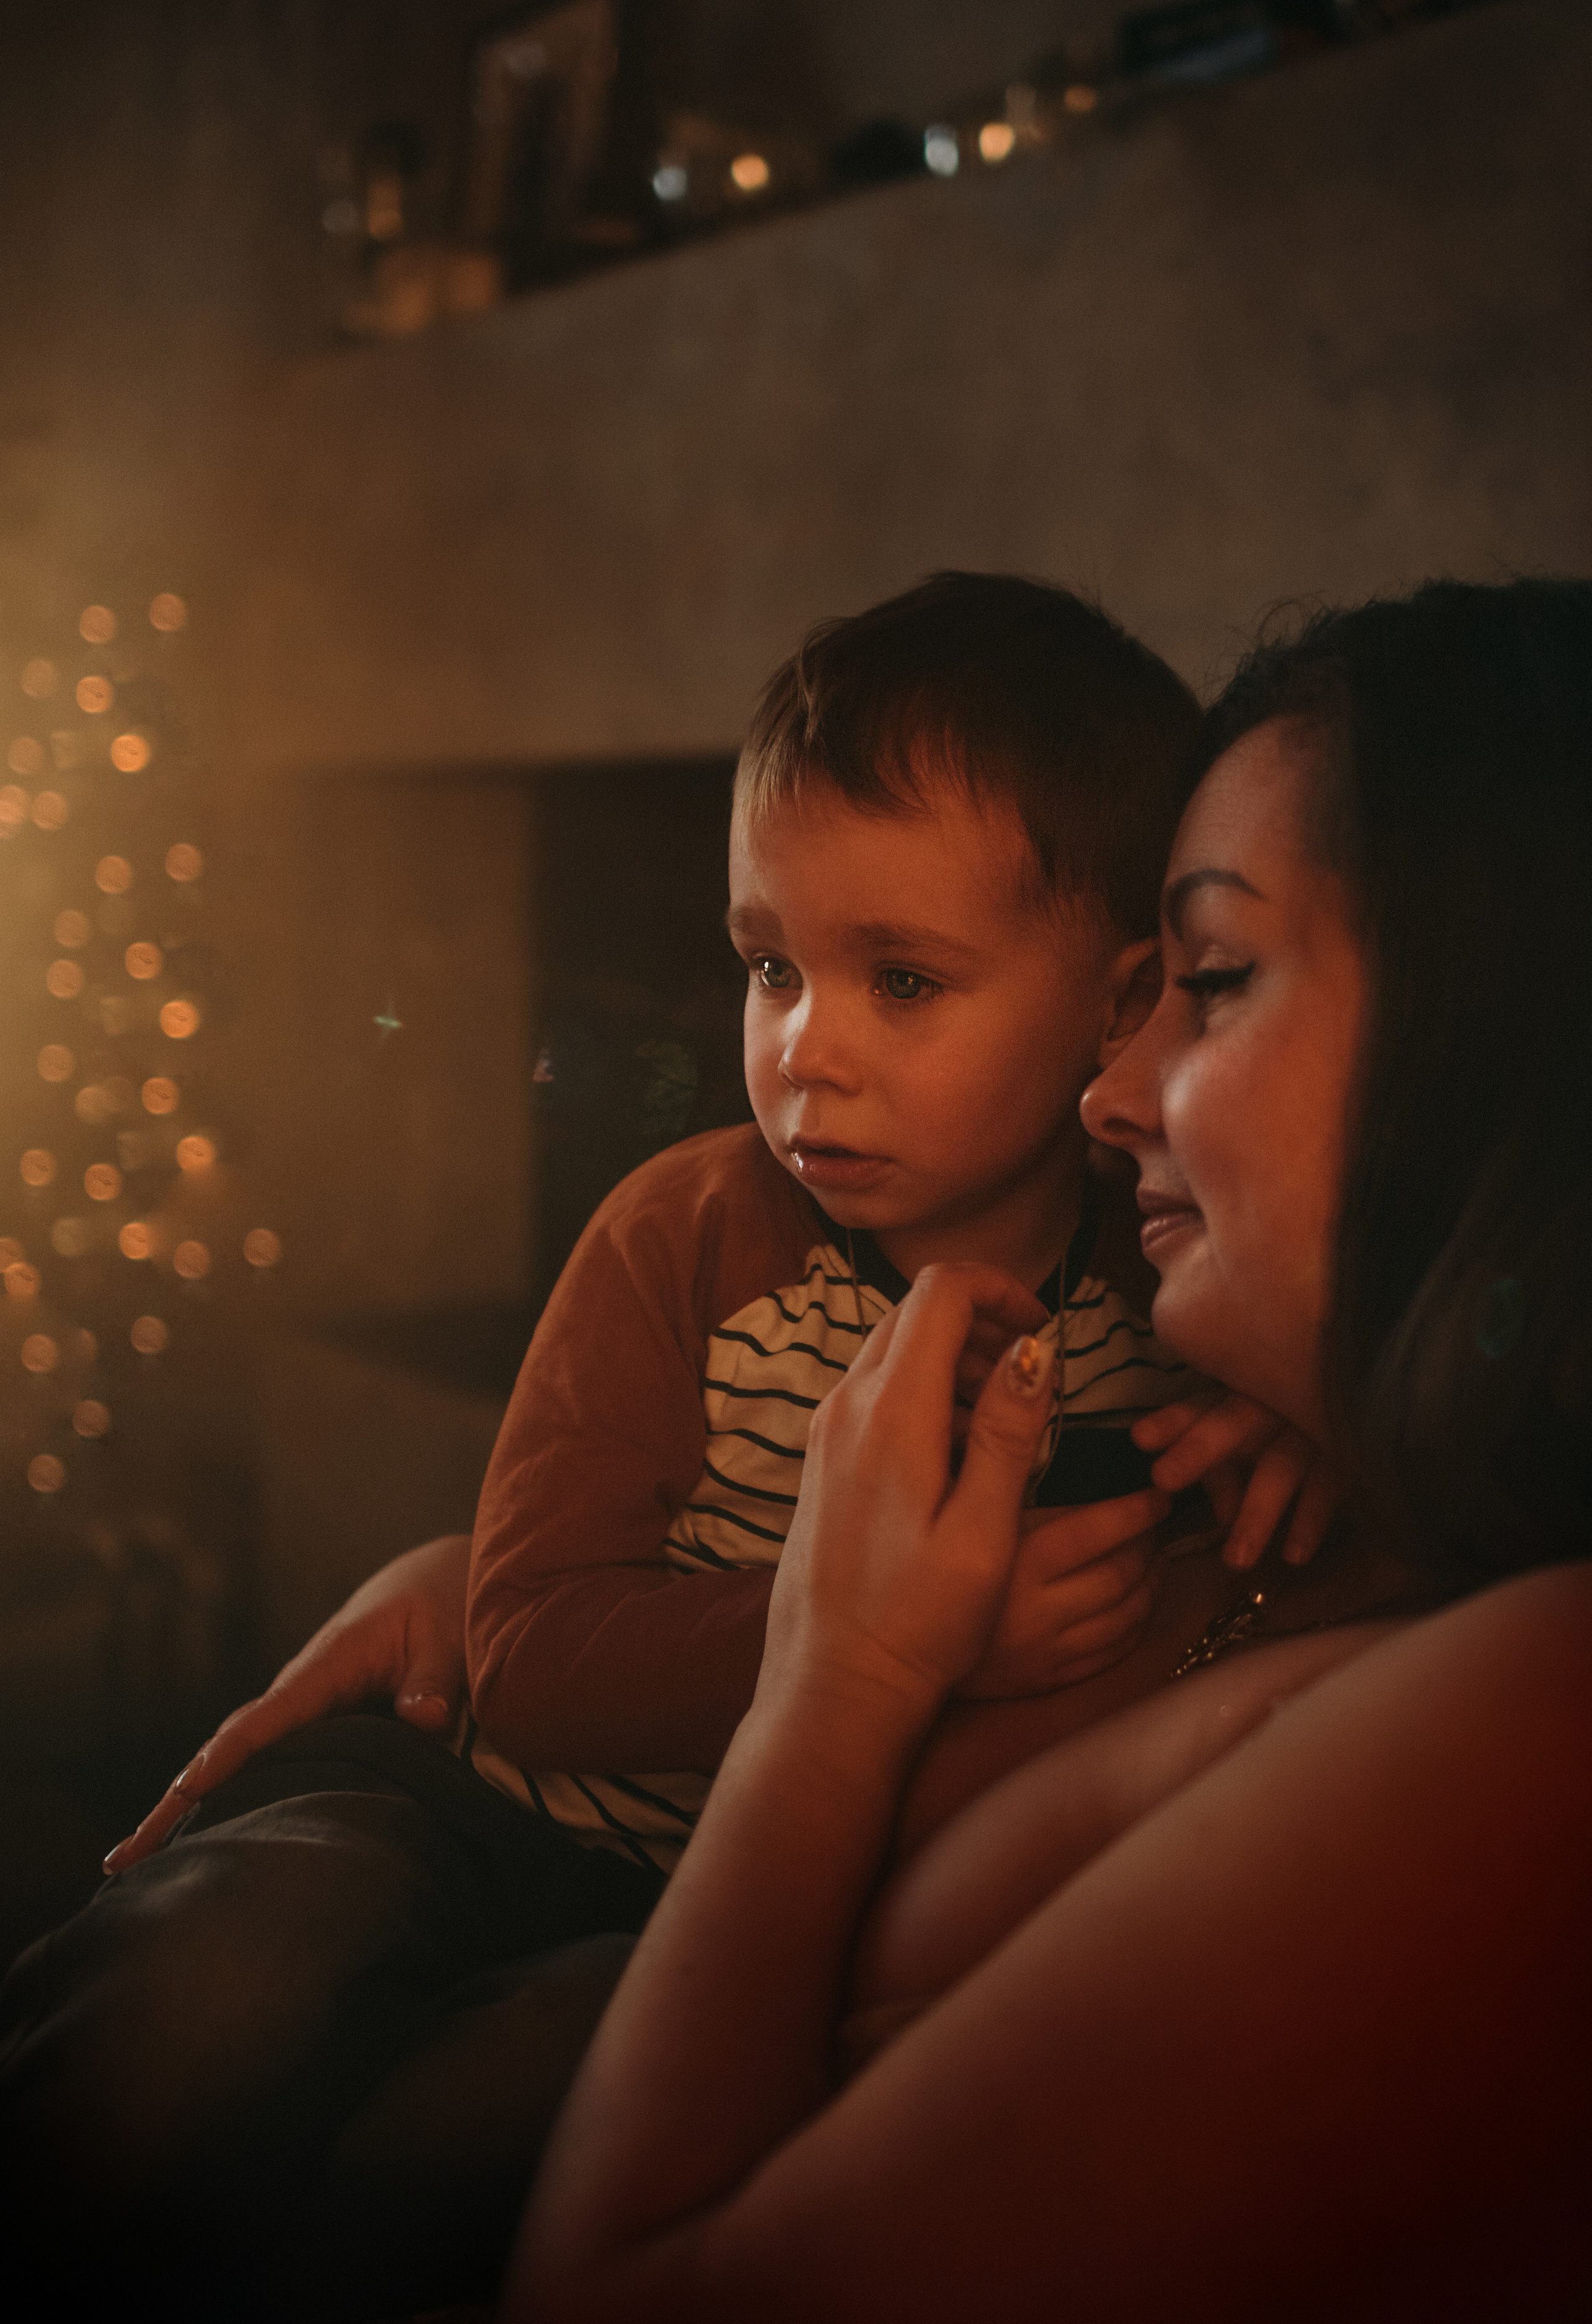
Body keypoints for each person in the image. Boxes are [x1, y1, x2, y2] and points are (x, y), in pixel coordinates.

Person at [0, 574, 1305, 2320]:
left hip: (736, 1913)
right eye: (771, 968)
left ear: (1123, 1000)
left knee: (489, 2135)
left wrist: (1297, 1448)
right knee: (196, 1993)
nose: (804, 1048)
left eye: (901, 979)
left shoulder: (1165, 1287)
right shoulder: (681, 1236)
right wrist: (897, 1641)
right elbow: (528, 1651)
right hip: (478, 1806)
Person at [502, 575, 1592, 2322]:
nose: (1110, 1091)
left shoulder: (1531, 1713)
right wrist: (470, 1587)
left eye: (1208, 983)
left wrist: (838, 1681)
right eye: (770, 968)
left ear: (1498, 1039)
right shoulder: (1328, 1521)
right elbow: (546, 1620)